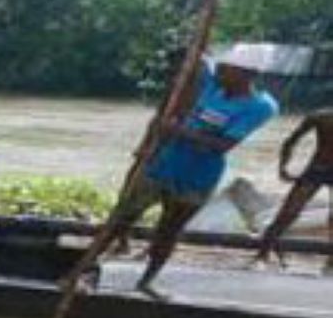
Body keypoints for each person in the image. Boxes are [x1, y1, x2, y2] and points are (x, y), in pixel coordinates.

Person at [109, 49, 280, 299]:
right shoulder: (213, 85)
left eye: (226, 69)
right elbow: (197, 60)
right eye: (220, 68)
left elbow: (222, 145)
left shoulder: (261, 106)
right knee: (122, 217)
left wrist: (177, 131)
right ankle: (85, 269)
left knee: (169, 230)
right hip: (164, 164)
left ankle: (147, 280)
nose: (219, 72)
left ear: (247, 74)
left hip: (198, 176)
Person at [253, 108, 333, 270]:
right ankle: (262, 256)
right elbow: (291, 141)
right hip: (318, 169)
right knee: (288, 212)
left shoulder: (322, 116)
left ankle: (330, 263)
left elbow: (291, 141)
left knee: (289, 212)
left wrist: (283, 168)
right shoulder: (322, 116)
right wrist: (283, 167)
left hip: (318, 169)